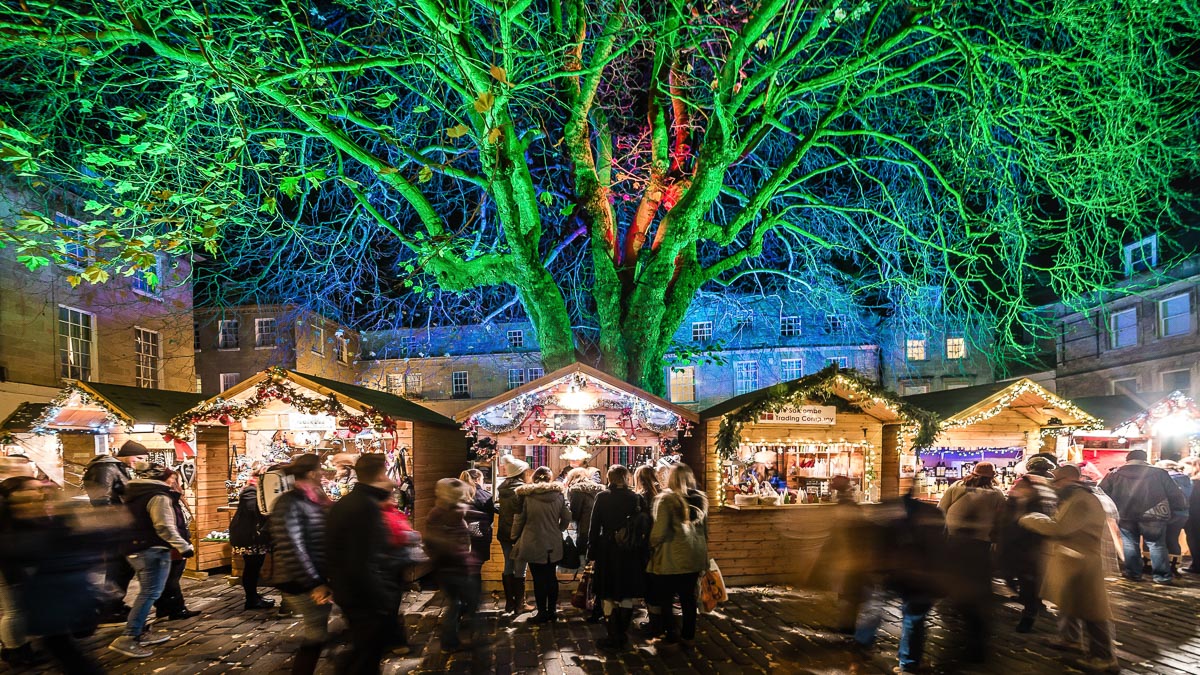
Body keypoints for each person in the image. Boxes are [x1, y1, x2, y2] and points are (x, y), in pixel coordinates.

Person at [1020, 464, 1119, 673]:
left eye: (1056, 481)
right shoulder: (1074, 498)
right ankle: (1070, 639)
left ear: (1068, 480)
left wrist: (1032, 519)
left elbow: (1060, 528)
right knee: (1070, 602)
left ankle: (1104, 657)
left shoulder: (1081, 500)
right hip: (1072, 560)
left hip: (1082, 562)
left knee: (1093, 610)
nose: (1054, 485)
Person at [327, 453, 416, 673]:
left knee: (365, 650)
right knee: (366, 655)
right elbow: (363, 559)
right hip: (365, 594)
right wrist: (383, 597)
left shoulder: (347, 503)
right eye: (386, 472)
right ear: (379, 473)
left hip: (352, 590)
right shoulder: (365, 507)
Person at [852, 492, 948, 675]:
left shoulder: (882, 512)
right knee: (914, 617)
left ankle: (860, 650)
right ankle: (909, 664)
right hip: (919, 573)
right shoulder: (931, 513)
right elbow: (940, 547)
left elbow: (872, 544)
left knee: (874, 608)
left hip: (889, 570)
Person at [108, 463, 194, 659]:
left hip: (135, 548)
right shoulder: (158, 496)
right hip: (152, 549)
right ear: (163, 478)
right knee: (150, 593)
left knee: (147, 592)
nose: (174, 481)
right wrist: (183, 546)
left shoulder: (135, 494)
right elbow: (164, 526)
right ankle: (129, 636)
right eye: (172, 477)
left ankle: (141, 630)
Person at [269, 454, 332, 675]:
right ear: (312, 473)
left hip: (315, 577)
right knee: (316, 632)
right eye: (321, 469)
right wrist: (314, 583)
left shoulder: (312, 499)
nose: (323, 473)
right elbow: (292, 547)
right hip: (299, 580)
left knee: (320, 629)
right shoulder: (289, 502)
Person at [937, 461, 1004, 664]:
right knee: (977, 584)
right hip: (980, 545)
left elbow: (940, 510)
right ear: (992, 476)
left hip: (954, 540)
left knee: (956, 577)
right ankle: (975, 626)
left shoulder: (956, 487)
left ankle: (956, 605)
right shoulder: (997, 494)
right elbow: (1001, 520)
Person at [82, 440, 148, 624]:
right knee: (118, 568)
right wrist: (117, 521)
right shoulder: (106, 468)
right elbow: (102, 498)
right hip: (114, 527)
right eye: (139, 457)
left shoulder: (117, 467)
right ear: (127, 454)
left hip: (118, 525)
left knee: (123, 568)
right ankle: (108, 609)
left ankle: (113, 605)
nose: (140, 461)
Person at [1099, 449, 1187, 583]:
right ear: (1145, 459)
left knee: (1130, 544)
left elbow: (1102, 493)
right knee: (1157, 545)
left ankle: (1133, 574)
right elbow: (1174, 493)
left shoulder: (1114, 474)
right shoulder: (1160, 473)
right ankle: (1162, 577)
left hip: (1125, 514)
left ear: (1127, 459)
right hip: (1154, 514)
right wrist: (1179, 509)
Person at [588, 464, 649, 649]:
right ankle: (622, 632)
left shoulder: (602, 497)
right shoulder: (636, 498)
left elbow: (594, 526)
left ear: (609, 477)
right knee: (626, 592)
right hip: (630, 551)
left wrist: (591, 551)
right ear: (626, 477)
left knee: (607, 591)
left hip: (607, 550)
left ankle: (612, 634)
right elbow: (645, 526)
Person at [648, 463, 709, 647]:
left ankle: (671, 634)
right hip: (694, 556)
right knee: (688, 598)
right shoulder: (701, 499)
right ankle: (688, 636)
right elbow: (705, 531)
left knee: (666, 598)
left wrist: (651, 545)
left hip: (671, 557)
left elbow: (659, 532)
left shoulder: (666, 499)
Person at [997, 455, 1058, 633]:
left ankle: (1029, 611)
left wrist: (1004, 530)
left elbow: (1013, 508)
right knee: (1033, 573)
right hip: (1044, 534)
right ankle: (1032, 601)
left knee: (1019, 571)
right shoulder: (1053, 484)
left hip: (1023, 533)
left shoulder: (1025, 482)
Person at [424, 478, 482, 652]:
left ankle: (458, 638)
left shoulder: (442, 513)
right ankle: (454, 641)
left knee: (458, 603)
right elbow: (446, 542)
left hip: (449, 567)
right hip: (455, 567)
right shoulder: (451, 514)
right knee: (462, 603)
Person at [512, 465, 571, 623]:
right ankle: (552, 611)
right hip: (553, 540)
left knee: (538, 579)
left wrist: (514, 536)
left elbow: (520, 519)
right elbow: (567, 517)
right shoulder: (559, 495)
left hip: (533, 540)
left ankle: (542, 612)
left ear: (534, 477)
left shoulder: (527, 495)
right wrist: (559, 529)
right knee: (551, 577)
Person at [153, 470, 200, 621]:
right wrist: (181, 543)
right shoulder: (166, 498)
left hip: (177, 540)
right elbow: (169, 524)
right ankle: (177, 609)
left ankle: (164, 608)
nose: (174, 482)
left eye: (175, 479)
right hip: (173, 543)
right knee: (172, 577)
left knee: (170, 577)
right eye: (172, 479)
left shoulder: (173, 497)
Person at [228, 466, 276, 610]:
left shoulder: (258, 489)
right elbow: (252, 509)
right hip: (249, 535)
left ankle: (254, 596)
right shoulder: (251, 490)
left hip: (253, 534)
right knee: (252, 567)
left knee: (254, 566)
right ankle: (251, 599)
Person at [496, 454, 532, 615]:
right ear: (521, 473)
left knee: (508, 565)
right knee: (520, 568)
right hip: (519, 533)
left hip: (504, 532)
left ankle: (509, 603)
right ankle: (520, 604)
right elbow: (524, 513)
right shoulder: (522, 491)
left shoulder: (502, 489)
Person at [1157, 458, 1193, 576]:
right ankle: (1174, 566)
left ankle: (1163, 566)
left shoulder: (1167, 478)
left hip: (1167, 512)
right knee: (1173, 539)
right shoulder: (1186, 479)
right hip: (1183, 513)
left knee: (1162, 540)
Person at [459, 469, 494, 566]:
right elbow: (490, 518)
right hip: (480, 535)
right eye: (482, 479)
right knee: (476, 566)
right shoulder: (486, 496)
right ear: (477, 479)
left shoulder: (456, 494)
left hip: (459, 535)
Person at [1182, 456, 1200, 573]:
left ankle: (1197, 565)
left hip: (1194, 515)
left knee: (1194, 539)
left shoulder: (1194, 482)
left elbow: (1189, 500)